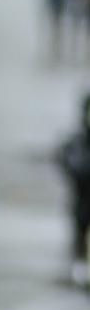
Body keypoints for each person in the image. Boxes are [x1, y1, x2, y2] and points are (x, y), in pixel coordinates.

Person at [57, 93, 90, 286]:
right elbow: (68, 162)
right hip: (82, 202)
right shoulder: (76, 142)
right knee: (79, 235)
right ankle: (79, 268)